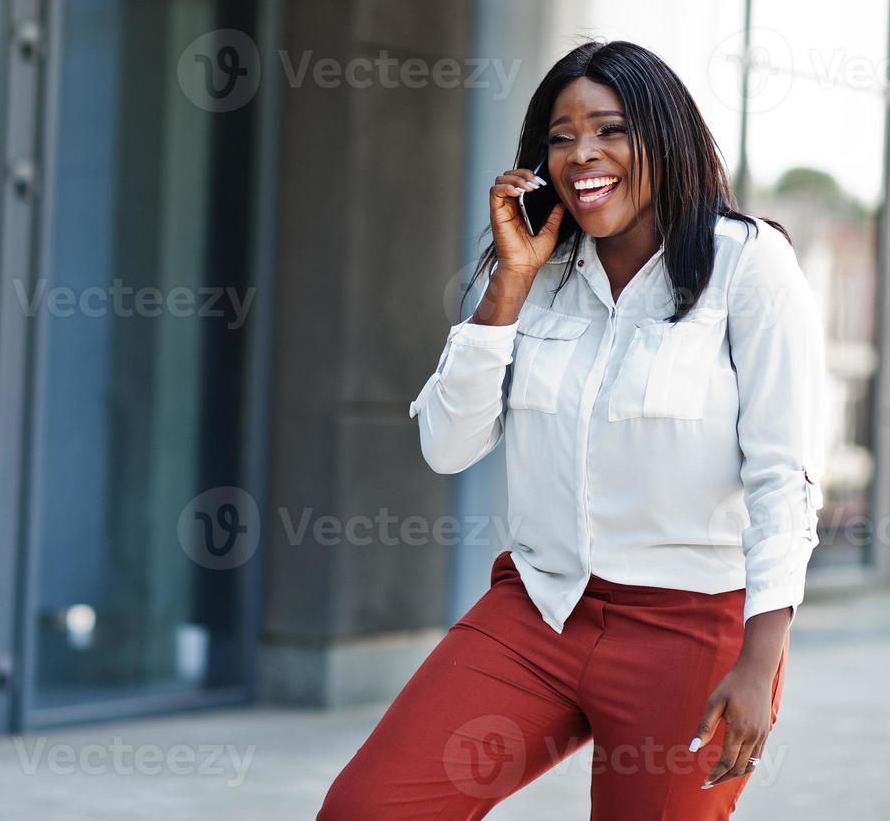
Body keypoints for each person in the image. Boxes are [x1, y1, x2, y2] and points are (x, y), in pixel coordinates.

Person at [317, 40, 826, 820]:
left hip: (689, 630)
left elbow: (780, 476)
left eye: (610, 129)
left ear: (666, 136)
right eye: (561, 137)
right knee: (369, 810)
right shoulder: (541, 272)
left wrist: (761, 662)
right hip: (539, 608)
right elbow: (447, 447)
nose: (583, 153)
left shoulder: (746, 266)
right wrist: (507, 287)